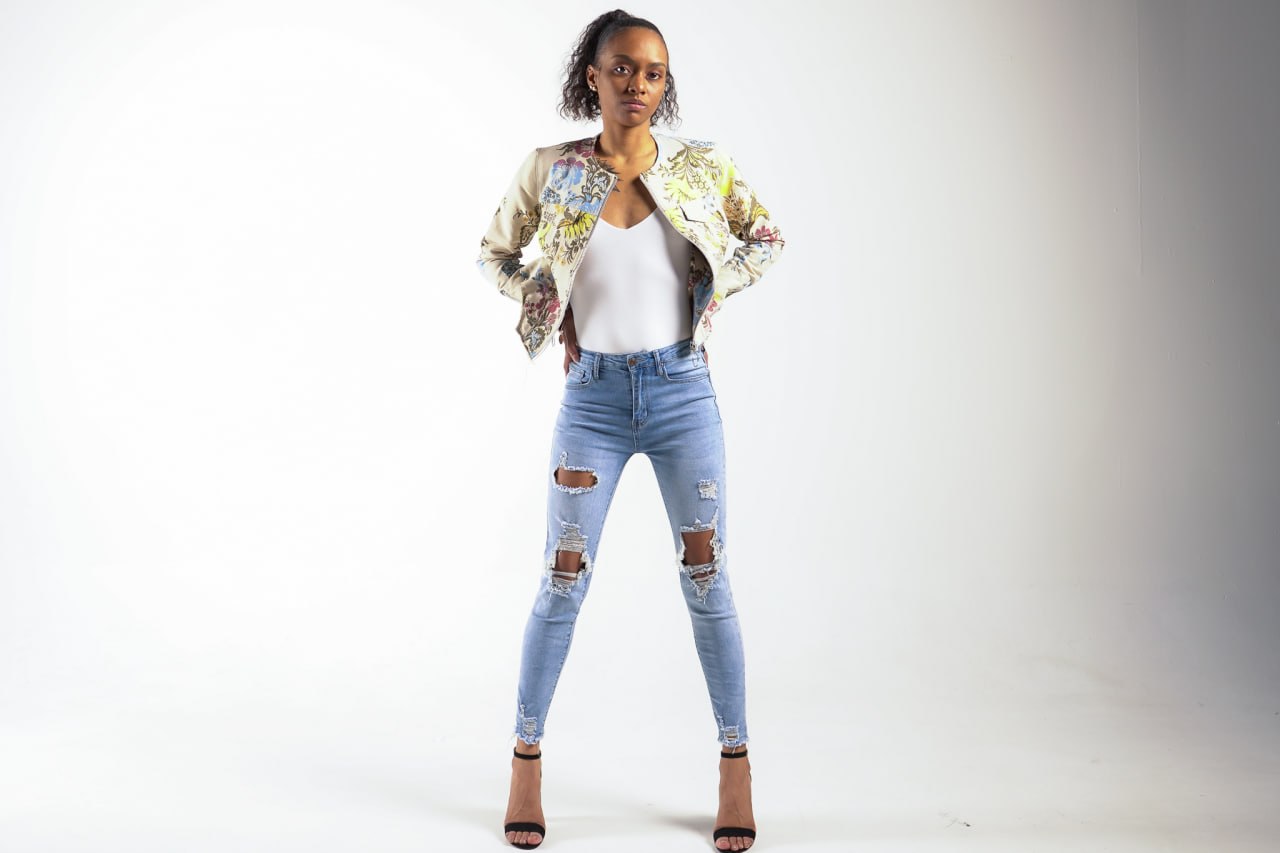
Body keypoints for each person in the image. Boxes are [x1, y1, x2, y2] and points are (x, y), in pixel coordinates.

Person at [475, 10, 783, 851]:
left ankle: (735, 763)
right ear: (592, 76)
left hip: (683, 393)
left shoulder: (698, 166)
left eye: (652, 73)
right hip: (594, 400)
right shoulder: (554, 170)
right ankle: (526, 758)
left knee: (708, 579)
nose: (637, 85)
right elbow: (495, 254)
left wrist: (709, 294)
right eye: (621, 69)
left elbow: (764, 239)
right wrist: (550, 303)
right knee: (562, 580)